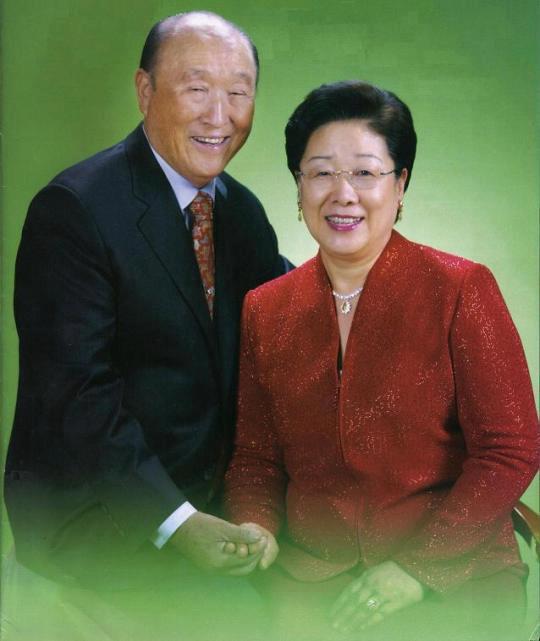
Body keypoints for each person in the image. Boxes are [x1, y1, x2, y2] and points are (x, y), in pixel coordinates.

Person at [4, 11, 288, 641]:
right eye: (197, 88)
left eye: (239, 92)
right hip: (97, 520)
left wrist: (391, 288)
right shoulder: (74, 209)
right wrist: (178, 521)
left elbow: (288, 311)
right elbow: (77, 398)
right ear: (144, 90)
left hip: (211, 505)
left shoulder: (240, 211)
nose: (221, 115)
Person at [224, 80, 539, 641]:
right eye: (321, 172)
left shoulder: (460, 288)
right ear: (298, 186)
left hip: (453, 573)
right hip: (311, 576)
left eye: (366, 173)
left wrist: (417, 569)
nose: (343, 194)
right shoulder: (266, 308)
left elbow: (510, 450)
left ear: (401, 184)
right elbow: (255, 458)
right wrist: (256, 527)